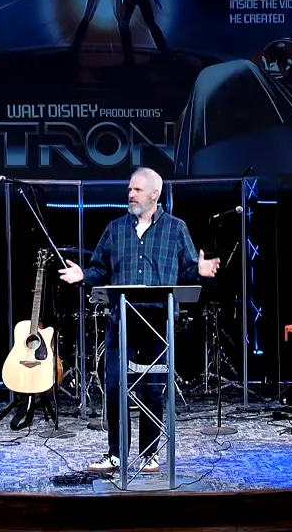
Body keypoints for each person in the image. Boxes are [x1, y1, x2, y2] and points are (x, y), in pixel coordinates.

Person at [59, 167, 221, 474]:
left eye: (136, 190)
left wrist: (199, 271)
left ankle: (149, 454)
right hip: (122, 320)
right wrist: (83, 276)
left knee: (152, 389)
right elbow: (99, 270)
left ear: (154, 195)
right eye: (129, 189)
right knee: (115, 385)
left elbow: (186, 270)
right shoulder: (115, 228)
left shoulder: (175, 228)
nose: (130, 194)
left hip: (158, 321)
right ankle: (116, 454)